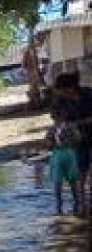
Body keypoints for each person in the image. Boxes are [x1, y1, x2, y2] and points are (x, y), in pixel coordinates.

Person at [53, 72, 92, 208]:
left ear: (69, 88)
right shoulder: (62, 101)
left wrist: (77, 123)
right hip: (79, 140)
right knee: (81, 170)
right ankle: (81, 203)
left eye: (62, 91)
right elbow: (58, 118)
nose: (61, 94)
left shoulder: (88, 94)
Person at [45, 108, 82, 216]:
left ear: (53, 118)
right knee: (73, 180)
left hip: (57, 154)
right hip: (70, 153)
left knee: (57, 180)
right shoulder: (71, 127)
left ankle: (59, 204)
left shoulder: (51, 129)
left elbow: (48, 143)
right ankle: (77, 202)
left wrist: (52, 145)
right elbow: (78, 139)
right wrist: (71, 144)